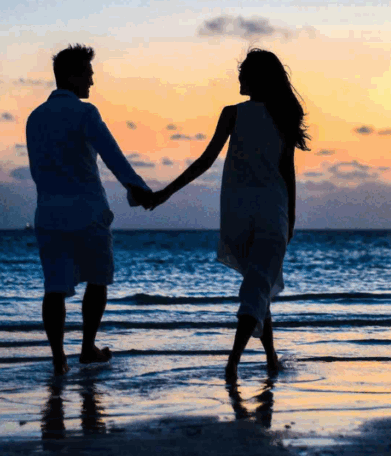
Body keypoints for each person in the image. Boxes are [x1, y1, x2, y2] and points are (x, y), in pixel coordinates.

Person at [148, 48, 308, 381]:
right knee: (257, 287)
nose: (238, 77)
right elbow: (287, 172)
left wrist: (166, 193)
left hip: (238, 217)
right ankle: (233, 363)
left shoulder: (233, 114)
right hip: (272, 215)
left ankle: (271, 359)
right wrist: (291, 218)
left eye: (243, 72)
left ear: (257, 78)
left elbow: (205, 162)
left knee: (258, 285)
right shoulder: (281, 115)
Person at [26, 43, 153, 376]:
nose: (92, 83)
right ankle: (87, 347)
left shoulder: (34, 118)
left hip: (49, 214)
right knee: (98, 281)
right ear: (72, 75)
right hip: (87, 212)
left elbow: (37, 168)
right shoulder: (86, 113)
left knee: (54, 288)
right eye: (88, 75)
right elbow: (112, 156)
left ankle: (58, 358)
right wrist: (138, 189)